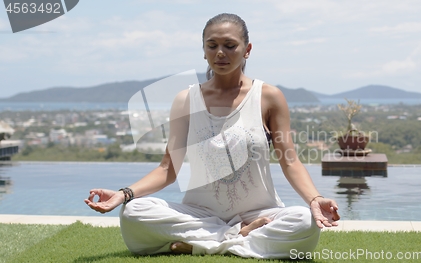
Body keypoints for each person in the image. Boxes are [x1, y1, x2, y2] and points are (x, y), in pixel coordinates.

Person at [84, 13, 340, 259]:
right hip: (199, 214)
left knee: (305, 221)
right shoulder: (186, 100)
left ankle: (200, 245)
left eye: (230, 45)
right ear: (204, 50)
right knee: (133, 212)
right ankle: (239, 239)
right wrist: (123, 194)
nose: (220, 53)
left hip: (259, 213)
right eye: (212, 45)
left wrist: (315, 199)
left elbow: (290, 161)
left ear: (247, 49)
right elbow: (167, 168)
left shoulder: (268, 96)